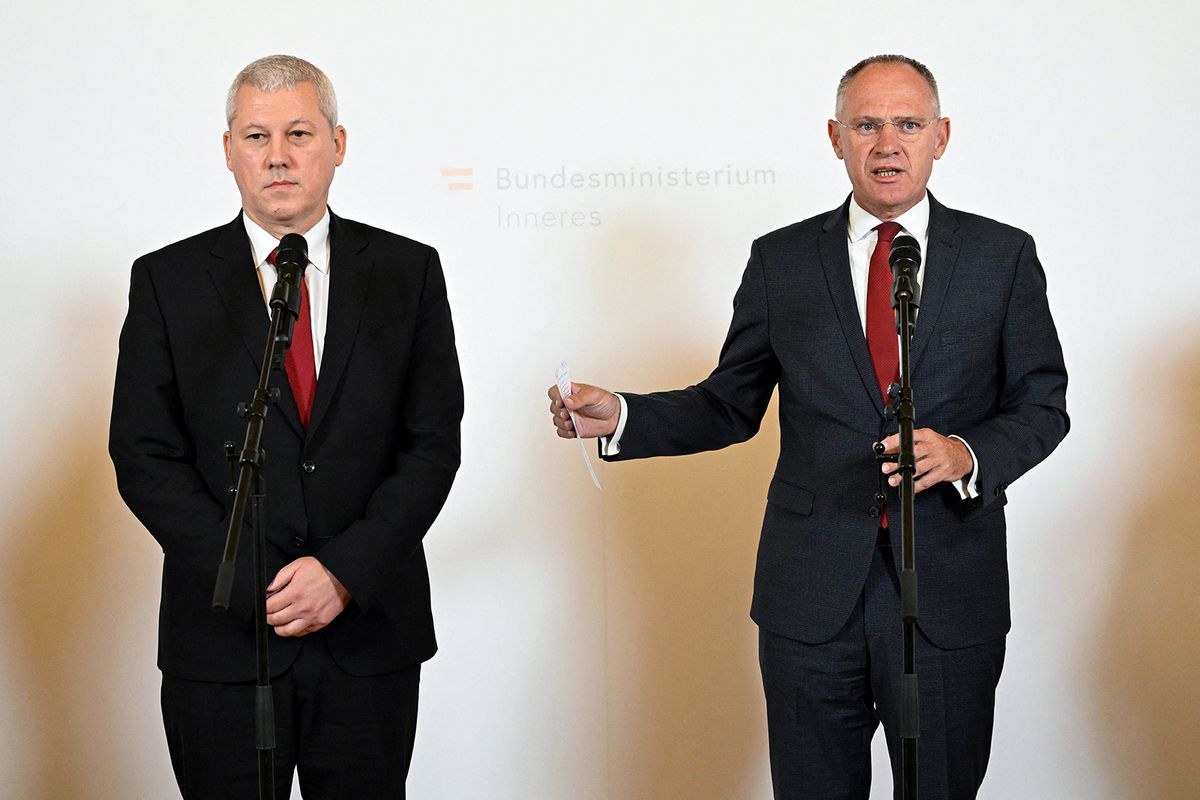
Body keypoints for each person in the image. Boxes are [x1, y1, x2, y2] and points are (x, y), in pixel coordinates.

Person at [548, 54, 1068, 799]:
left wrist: (964, 453)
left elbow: (1042, 404)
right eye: (867, 124)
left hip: (950, 588)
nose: (887, 143)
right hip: (810, 596)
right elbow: (729, 403)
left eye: (908, 124)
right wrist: (625, 413)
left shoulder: (1002, 257)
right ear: (835, 137)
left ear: (942, 135)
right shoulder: (782, 261)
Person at [110, 55, 463, 799]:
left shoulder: (409, 272)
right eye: (256, 136)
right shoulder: (167, 280)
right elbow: (144, 453)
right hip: (225, 640)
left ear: (337, 143)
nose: (277, 156)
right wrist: (251, 583)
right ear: (229, 149)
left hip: (367, 636)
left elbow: (432, 445)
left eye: (298, 133)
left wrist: (341, 574)